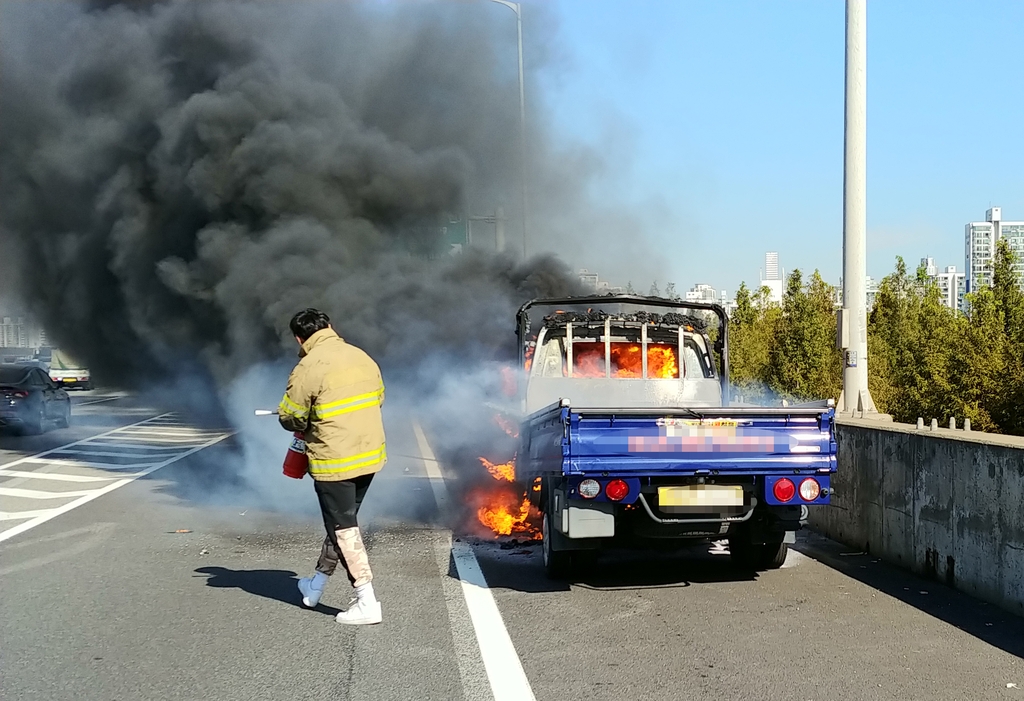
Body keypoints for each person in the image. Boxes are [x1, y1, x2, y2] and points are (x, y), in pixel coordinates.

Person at [278, 308, 386, 625]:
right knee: (342, 524)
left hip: (335, 462)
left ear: (300, 338)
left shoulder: (308, 367)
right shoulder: (361, 356)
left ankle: (367, 602)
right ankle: (315, 586)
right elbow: (379, 398)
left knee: (343, 529)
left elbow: (291, 417)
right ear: (330, 327)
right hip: (369, 456)